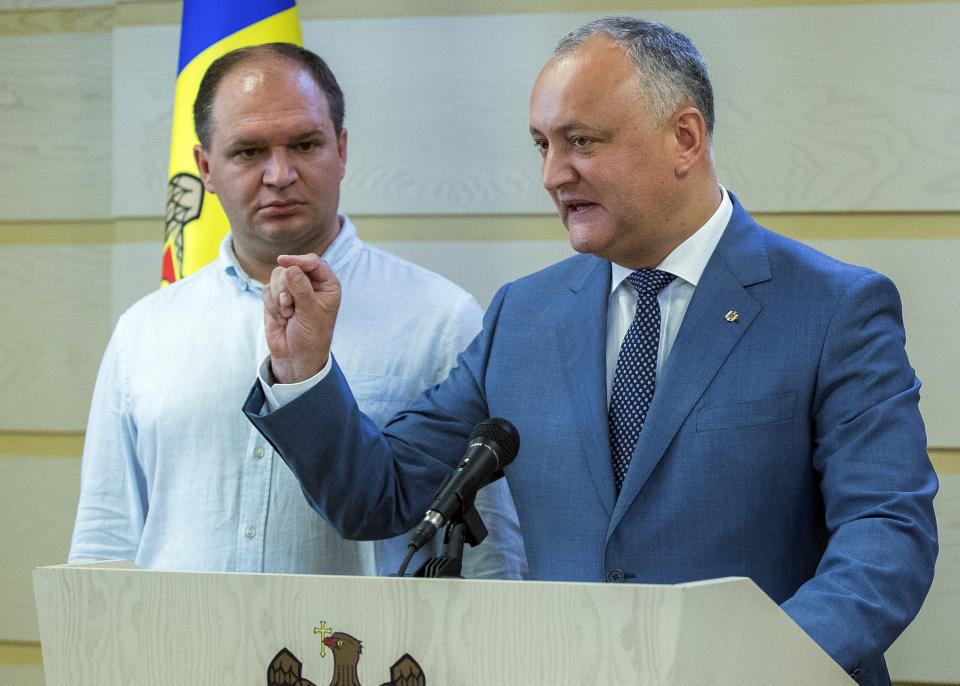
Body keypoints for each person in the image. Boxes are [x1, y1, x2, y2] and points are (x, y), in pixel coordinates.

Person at [243, 19, 937, 685]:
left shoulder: (834, 309)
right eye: (541, 143)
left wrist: (758, 668)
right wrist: (302, 371)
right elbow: (382, 496)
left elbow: (886, 535)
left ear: (685, 137)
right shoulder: (524, 315)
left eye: (581, 141)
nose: (552, 173)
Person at [68, 43, 526, 580]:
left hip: (359, 660)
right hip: (176, 656)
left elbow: (492, 546)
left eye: (305, 144)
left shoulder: (441, 318)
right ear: (204, 167)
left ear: (342, 149)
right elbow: (107, 536)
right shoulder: (145, 330)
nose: (280, 174)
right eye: (248, 152)